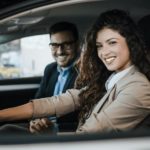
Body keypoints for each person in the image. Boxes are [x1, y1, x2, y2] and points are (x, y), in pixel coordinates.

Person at [0, 9, 149, 135]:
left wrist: (53, 134)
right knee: (8, 129)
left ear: (131, 42)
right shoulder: (110, 79)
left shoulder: (139, 88)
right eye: (99, 46)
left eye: (112, 43)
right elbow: (60, 101)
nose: (104, 52)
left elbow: (89, 136)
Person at [30, 21, 80, 133]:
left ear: (77, 45)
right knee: (7, 129)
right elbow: (38, 99)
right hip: (41, 130)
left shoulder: (86, 72)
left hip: (67, 134)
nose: (60, 51)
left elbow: (84, 118)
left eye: (66, 44)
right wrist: (36, 121)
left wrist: (55, 129)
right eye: (55, 45)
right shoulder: (50, 69)